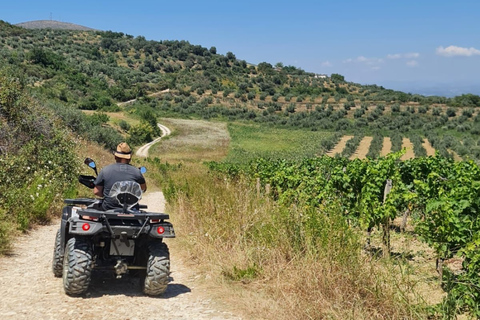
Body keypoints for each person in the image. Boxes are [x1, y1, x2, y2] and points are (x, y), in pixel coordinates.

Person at [94, 142, 147, 210]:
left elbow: (96, 191)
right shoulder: (137, 172)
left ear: (115, 156)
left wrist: (107, 195)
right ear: (129, 158)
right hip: (131, 210)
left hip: (108, 209)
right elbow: (143, 189)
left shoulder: (105, 170)